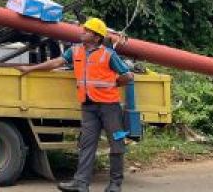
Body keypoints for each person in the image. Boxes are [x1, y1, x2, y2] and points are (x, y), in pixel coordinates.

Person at [18, 17, 134, 192]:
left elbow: (128, 76)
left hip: (110, 106)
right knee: (87, 145)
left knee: (116, 143)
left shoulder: (108, 54)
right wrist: (30, 69)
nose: (83, 32)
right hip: (88, 106)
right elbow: (56, 62)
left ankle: (115, 184)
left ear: (97, 37)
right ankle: (81, 184)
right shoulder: (75, 51)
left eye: (87, 31)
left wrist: (115, 84)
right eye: (84, 29)